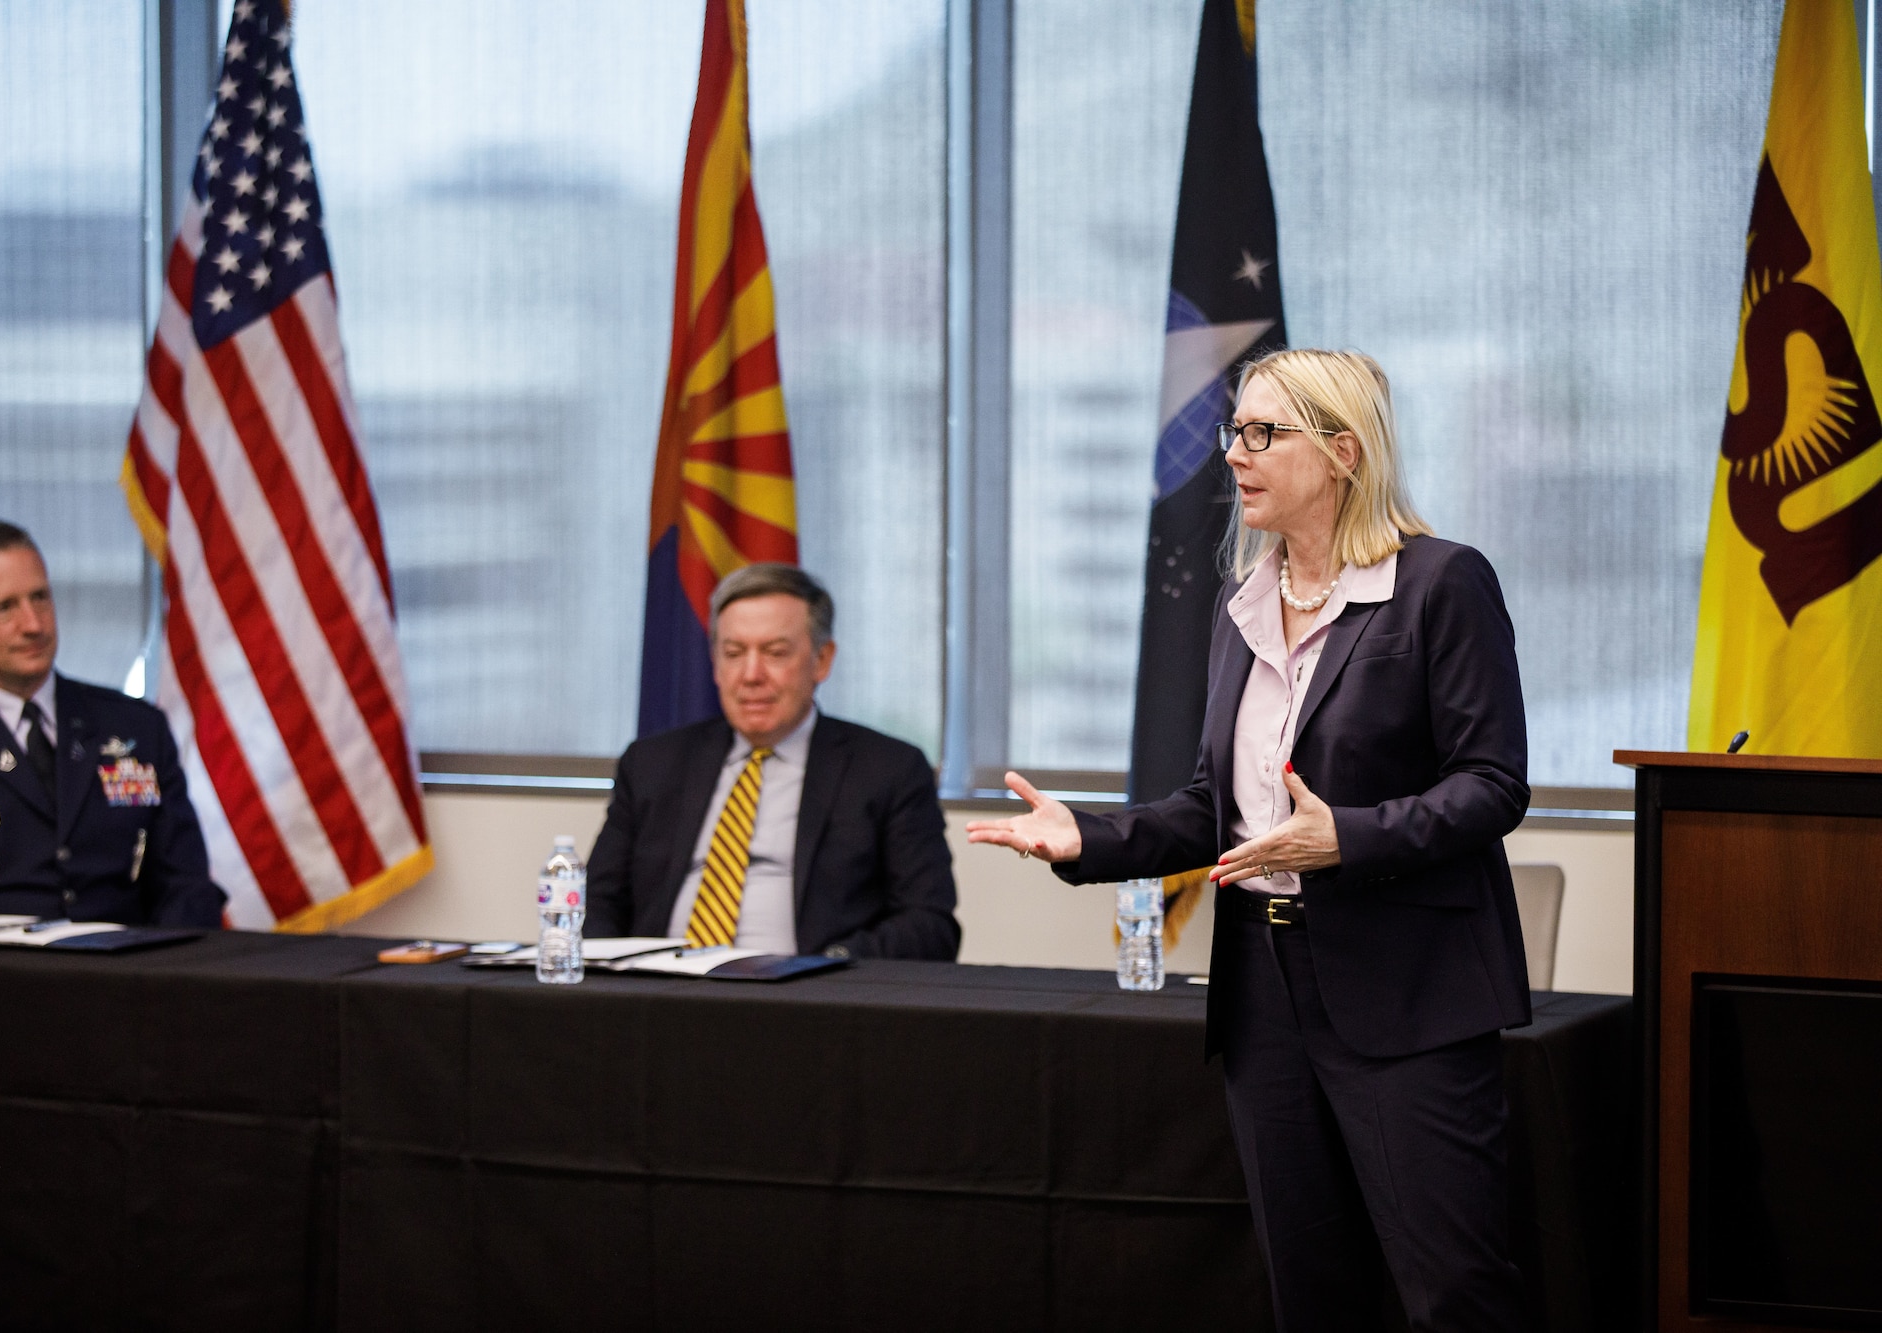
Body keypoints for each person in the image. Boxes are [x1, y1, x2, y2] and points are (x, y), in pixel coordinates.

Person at [968, 349, 1533, 1330]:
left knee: (1455, 1292)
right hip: (1262, 993)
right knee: (1309, 1290)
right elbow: (1208, 811)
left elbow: (1491, 787)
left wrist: (1344, 838)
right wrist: (1083, 838)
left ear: (1343, 450)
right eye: (1234, 431)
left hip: (1406, 992)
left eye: (1263, 433)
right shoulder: (1242, 606)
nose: (1234, 453)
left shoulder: (1438, 584)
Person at [588, 563, 959, 960]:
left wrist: (830, 965)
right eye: (733, 653)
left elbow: (929, 924)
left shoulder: (887, 770)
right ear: (715, 662)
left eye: (775, 653)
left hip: (806, 1003)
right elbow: (597, 903)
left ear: (822, 659)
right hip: (659, 994)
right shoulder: (652, 764)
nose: (751, 674)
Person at [0, 520, 225, 926]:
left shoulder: (135, 727)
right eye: (4, 607)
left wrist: (159, 980)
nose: (33, 624)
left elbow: (186, 887)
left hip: (131, 977)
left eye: (40, 597)